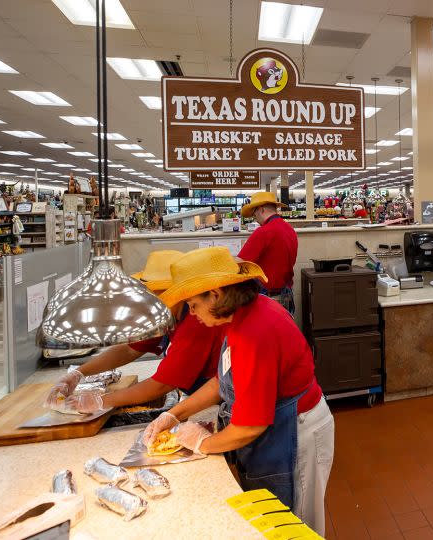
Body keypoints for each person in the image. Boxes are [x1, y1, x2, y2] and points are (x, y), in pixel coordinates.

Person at [142, 248, 334, 534]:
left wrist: (202, 443)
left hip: (297, 432)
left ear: (216, 295)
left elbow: (250, 426)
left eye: (194, 304)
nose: (191, 313)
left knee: (295, 527)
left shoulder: (254, 331)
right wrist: (175, 414)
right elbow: (223, 381)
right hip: (278, 429)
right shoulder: (236, 318)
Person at [43, 249, 225, 413]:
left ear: (176, 292)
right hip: (203, 398)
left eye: (156, 292)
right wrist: (77, 374)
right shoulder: (167, 314)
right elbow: (130, 349)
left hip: (220, 403)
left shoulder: (197, 321)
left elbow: (162, 385)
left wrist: (100, 401)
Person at [237, 191, 298, 315]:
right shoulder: (290, 230)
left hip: (268, 298)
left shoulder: (263, 232)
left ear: (261, 209)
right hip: (287, 295)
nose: (255, 218)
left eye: (254, 213)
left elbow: (240, 263)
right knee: (283, 333)